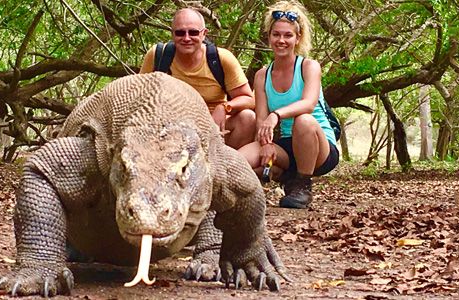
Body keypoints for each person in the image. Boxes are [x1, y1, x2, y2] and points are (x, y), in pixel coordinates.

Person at [238, 0, 339, 209]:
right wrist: (265, 145)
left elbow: (309, 104)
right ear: (269, 37)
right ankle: (279, 174)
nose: (281, 40)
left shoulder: (309, 67)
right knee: (237, 161)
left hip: (320, 146)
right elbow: (260, 120)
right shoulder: (262, 75)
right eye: (276, 35)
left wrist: (276, 115)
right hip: (287, 145)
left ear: (297, 39)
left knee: (303, 120)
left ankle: (302, 184)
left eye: (288, 35)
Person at [139, 8, 255, 149]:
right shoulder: (158, 56)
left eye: (193, 32)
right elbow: (139, 96)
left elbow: (249, 99)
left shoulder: (221, 58)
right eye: (180, 33)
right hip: (169, 128)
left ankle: (226, 166)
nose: (186, 38)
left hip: (214, 128)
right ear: (172, 34)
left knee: (248, 118)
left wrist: (224, 107)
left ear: (204, 34)